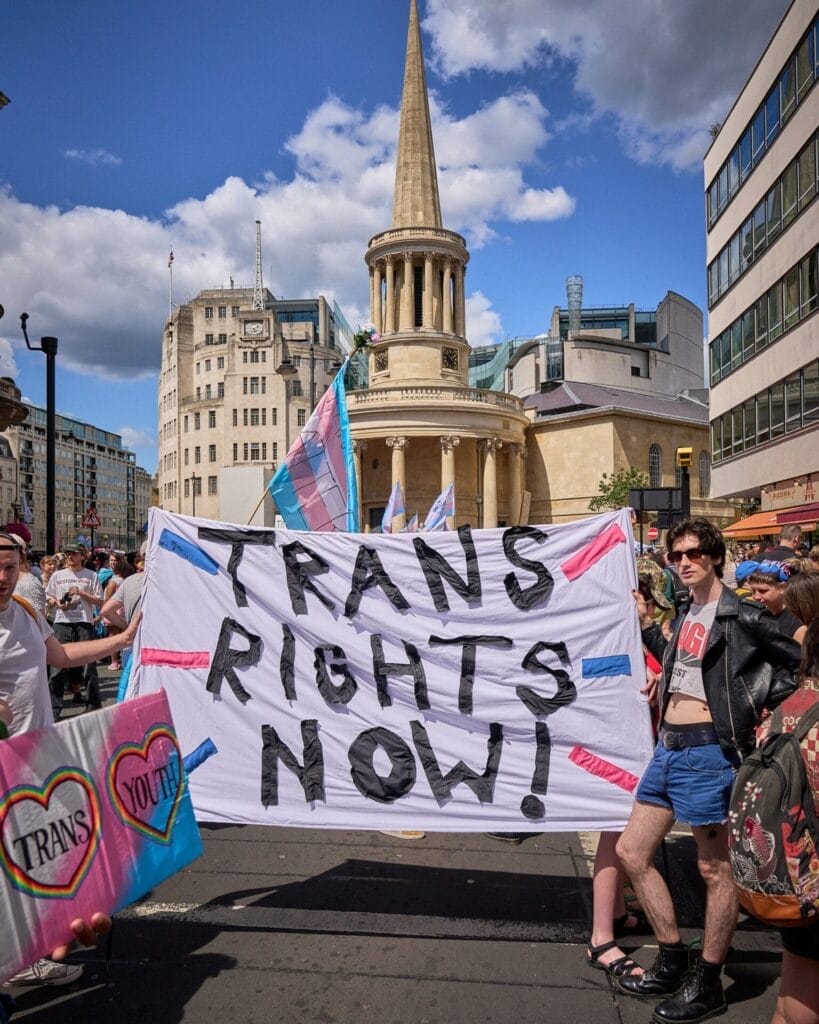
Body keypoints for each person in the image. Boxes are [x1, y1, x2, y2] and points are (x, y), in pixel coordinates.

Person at [616, 517, 801, 1023]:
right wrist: (664, 675)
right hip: (668, 748)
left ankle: (709, 979)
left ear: (716, 556)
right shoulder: (686, 609)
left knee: (713, 869)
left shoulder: (740, 614)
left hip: (707, 753)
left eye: (694, 553)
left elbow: (795, 662)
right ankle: (674, 957)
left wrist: (754, 700)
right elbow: (693, 668)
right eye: (676, 556)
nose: (684, 562)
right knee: (633, 852)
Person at [0, 531, 138, 988]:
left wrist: (123, 640)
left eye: (9, 567)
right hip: (4, 764)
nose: (2, 577)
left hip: (36, 757)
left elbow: (59, 656)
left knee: (38, 862)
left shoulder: (24, 610)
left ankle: (29, 954)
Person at [45, 543, 103, 713]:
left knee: (88, 666)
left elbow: (99, 601)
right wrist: (57, 603)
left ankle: (93, 704)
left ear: (83, 556)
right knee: (57, 666)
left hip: (84, 622)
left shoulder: (91, 575)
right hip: (62, 622)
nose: (70, 557)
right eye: (68, 554)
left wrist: (81, 593)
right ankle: (54, 708)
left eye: (74, 554)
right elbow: (49, 597)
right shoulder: (58, 575)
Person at [746, 563, 806, 643]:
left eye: (763, 591)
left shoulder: (796, 624)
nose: (756, 597)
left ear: (782, 588)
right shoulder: (758, 615)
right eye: (753, 591)